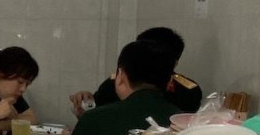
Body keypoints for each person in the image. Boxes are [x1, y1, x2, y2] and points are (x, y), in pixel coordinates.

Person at [69, 27, 202, 117]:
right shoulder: (115, 82)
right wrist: (85, 103)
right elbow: (93, 113)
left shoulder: (188, 91)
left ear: (174, 62)